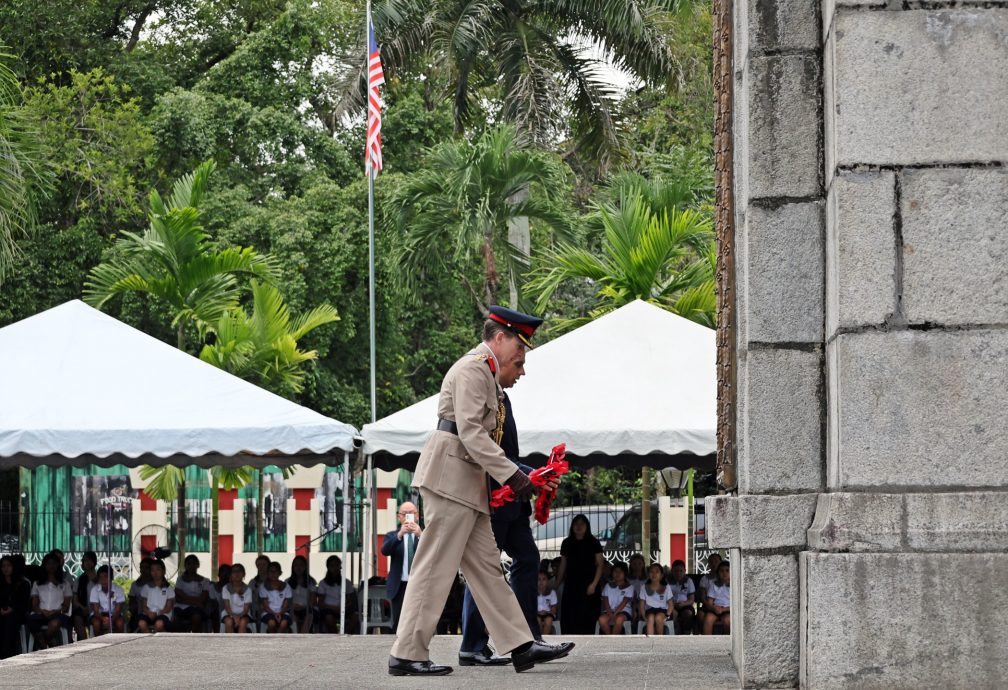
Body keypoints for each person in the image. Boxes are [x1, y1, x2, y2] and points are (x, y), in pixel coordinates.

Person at [389, 306, 574, 677]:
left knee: (488, 569)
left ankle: (521, 645)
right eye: (519, 350)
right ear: (499, 337)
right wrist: (514, 477)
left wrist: (516, 475)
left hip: (462, 482)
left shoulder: (485, 372)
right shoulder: (474, 368)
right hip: (450, 478)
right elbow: (472, 432)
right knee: (434, 567)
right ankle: (406, 653)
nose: (521, 360)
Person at [459, 333, 544, 668]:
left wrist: (535, 473)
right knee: (485, 570)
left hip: (513, 500)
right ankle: (472, 645)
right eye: (518, 363)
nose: (521, 373)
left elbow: (506, 454)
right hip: (493, 498)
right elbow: (486, 451)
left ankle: (529, 639)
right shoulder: (482, 388)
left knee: (528, 559)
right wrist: (528, 474)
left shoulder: (501, 397)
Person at [556, 514, 605, 634]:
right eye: (576, 523)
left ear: (587, 526)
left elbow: (600, 564)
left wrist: (594, 584)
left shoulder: (594, 542)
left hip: (589, 584)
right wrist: (557, 584)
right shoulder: (566, 543)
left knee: (587, 617)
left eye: (582, 523)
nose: (579, 526)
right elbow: (563, 565)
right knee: (569, 617)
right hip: (571, 584)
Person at [381, 501, 422, 633]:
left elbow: (435, 552)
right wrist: (400, 534)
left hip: (419, 584)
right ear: (399, 517)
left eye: (411, 513)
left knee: (418, 620)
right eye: (405, 514)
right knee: (399, 620)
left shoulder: (425, 534)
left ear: (417, 516)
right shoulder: (392, 535)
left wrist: (421, 535)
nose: (408, 517)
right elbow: (384, 551)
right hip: (400, 585)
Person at [28, 553, 72, 649]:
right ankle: (49, 644)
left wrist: (55, 611)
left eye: (54, 563)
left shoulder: (65, 584)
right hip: (41, 613)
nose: (51, 566)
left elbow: (66, 606)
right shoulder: (37, 583)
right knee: (30, 621)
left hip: (58, 613)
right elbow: (34, 605)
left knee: (55, 623)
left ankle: (43, 643)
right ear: (44, 565)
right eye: (48, 563)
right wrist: (42, 611)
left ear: (58, 565)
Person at [317, 555, 359, 634]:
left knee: (356, 615)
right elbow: (320, 603)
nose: (335, 568)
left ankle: (345, 633)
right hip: (328, 609)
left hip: (344, 609)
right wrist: (334, 608)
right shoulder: (323, 583)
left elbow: (351, 600)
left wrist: (345, 606)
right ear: (328, 567)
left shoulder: (347, 582)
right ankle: (336, 635)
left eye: (337, 565)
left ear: (340, 567)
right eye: (332, 566)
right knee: (329, 617)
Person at [0, 555, 30, 658]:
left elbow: (23, 603)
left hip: (17, 613)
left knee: (9, 621)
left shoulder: (23, 583)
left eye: (8, 565)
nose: (6, 568)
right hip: (2, 612)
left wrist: (11, 609)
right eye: (3, 566)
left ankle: (7, 654)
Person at [173, 554, 210, 633]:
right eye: (189, 564)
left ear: (198, 565)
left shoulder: (205, 581)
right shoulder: (180, 580)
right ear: (185, 566)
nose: (191, 566)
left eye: (194, 563)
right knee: (175, 618)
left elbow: (203, 598)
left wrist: (186, 598)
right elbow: (178, 597)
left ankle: (195, 639)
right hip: (181, 607)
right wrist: (196, 602)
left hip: (198, 608)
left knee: (196, 617)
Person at [137, 559, 174, 633]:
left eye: (158, 569)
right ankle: (150, 641)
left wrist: (158, 613)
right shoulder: (146, 587)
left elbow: (168, 608)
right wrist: (149, 613)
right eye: (152, 570)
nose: (155, 573)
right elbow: (144, 606)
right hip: (148, 613)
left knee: (159, 624)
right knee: (141, 623)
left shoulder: (168, 589)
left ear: (163, 571)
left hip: (163, 614)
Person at [88, 565, 125, 636]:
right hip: (99, 615)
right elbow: (95, 610)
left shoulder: (118, 589)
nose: (103, 580)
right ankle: (99, 643)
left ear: (111, 578)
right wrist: (102, 619)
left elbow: (118, 610)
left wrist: (111, 620)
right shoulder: (94, 589)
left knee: (120, 623)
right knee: (96, 624)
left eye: (105, 576)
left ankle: (118, 642)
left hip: (114, 614)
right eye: (100, 577)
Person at [599, 562, 634, 635]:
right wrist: (610, 613)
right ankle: (610, 638)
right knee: (602, 619)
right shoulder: (607, 586)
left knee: (619, 619)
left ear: (625, 573)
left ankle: (613, 640)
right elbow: (605, 601)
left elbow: (623, 604)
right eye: (615, 571)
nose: (617, 573)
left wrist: (614, 615)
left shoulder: (629, 587)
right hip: (609, 611)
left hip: (624, 611)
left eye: (620, 571)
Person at [259, 561, 292, 633]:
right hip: (268, 613)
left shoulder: (286, 586)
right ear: (267, 573)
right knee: (271, 623)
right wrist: (274, 614)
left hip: (283, 612)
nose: (273, 573)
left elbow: (286, 605)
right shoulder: (263, 586)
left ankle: (277, 640)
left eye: (276, 571)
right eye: (271, 571)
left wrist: (280, 613)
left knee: (283, 624)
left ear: (280, 573)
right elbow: (265, 606)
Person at [639, 563, 672, 636]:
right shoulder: (644, 587)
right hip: (649, 610)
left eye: (657, 572)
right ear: (648, 575)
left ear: (661, 575)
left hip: (662, 610)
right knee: (650, 618)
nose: (654, 574)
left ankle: (659, 639)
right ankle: (650, 639)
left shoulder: (666, 587)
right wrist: (644, 616)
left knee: (658, 617)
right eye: (651, 572)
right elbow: (642, 604)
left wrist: (667, 615)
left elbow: (670, 604)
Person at [73, 551, 99, 641]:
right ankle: (84, 642)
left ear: (94, 562)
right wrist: (83, 608)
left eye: (89, 560)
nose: (87, 563)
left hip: (97, 610)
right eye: (85, 560)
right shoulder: (79, 580)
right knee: (77, 616)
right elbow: (75, 600)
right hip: (83, 609)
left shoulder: (99, 579)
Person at [287, 555, 316, 634]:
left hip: (307, 608)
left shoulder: (311, 581)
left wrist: (304, 606)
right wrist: (292, 605)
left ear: (305, 567)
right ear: (292, 567)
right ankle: (295, 636)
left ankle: (303, 636)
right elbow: (285, 599)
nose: (298, 568)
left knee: (309, 613)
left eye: (301, 565)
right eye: (296, 565)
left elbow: (313, 600)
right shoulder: (287, 582)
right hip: (292, 608)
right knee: (293, 614)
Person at [221, 563, 252, 633]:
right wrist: (234, 616)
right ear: (231, 574)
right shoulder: (225, 588)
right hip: (229, 613)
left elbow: (246, 609)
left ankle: (240, 643)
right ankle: (231, 643)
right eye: (234, 571)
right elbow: (227, 606)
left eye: (239, 571)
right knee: (229, 622)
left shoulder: (248, 589)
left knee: (243, 622)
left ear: (244, 574)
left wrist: (239, 617)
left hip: (244, 614)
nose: (237, 573)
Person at [667, 559, 696, 634]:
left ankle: (686, 632)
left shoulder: (689, 581)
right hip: (671, 605)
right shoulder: (667, 581)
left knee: (688, 613)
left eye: (681, 571)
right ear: (672, 571)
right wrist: (672, 604)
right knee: (672, 614)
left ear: (685, 571)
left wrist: (683, 604)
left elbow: (691, 599)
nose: (678, 573)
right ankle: (673, 632)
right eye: (676, 571)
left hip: (686, 605)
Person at [702, 560, 731, 635]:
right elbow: (709, 602)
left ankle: (726, 644)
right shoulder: (714, 585)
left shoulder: (734, 585)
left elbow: (736, 605)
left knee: (727, 621)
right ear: (718, 573)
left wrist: (723, 609)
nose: (724, 573)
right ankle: (707, 643)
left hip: (728, 609)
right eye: (721, 571)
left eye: (727, 571)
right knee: (708, 619)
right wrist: (713, 608)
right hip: (715, 609)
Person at [128, 557, 153, 632]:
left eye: (146, 568)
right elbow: (131, 602)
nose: (143, 570)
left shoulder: (156, 584)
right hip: (139, 613)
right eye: (141, 567)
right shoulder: (135, 585)